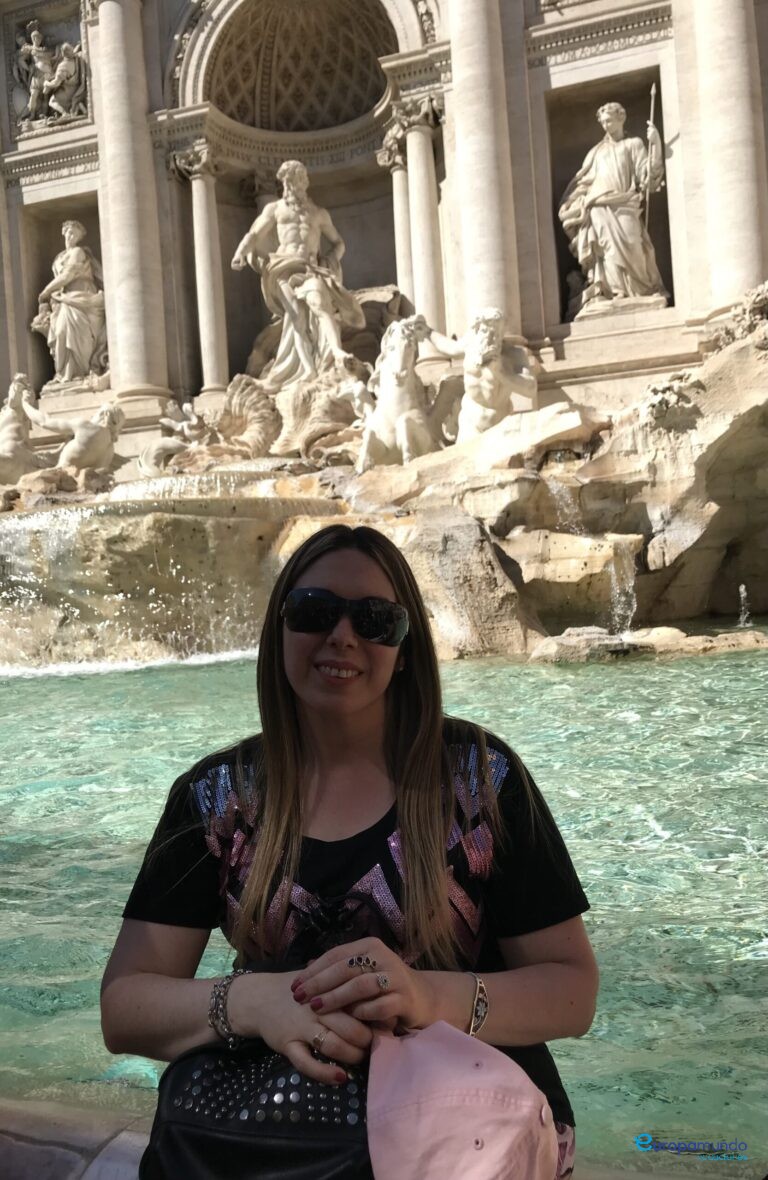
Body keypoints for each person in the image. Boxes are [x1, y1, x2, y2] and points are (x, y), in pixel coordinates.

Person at [101, 524, 598, 1178]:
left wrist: (426, 996)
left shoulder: (481, 778)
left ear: (404, 643)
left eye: (374, 620)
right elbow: (125, 1007)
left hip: (463, 1131)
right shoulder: (218, 797)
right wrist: (255, 1003)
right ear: (279, 626)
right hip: (272, 1130)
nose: (343, 636)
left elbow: (572, 991)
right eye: (313, 611)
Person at [231, 160, 365, 389]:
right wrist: (240, 253)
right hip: (283, 266)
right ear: (284, 183)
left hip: (310, 268)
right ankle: (308, 370)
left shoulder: (318, 213)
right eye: (291, 181)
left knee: (319, 303)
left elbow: (338, 243)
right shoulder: (275, 209)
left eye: (300, 180)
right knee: (296, 318)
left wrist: (330, 260)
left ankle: (336, 351)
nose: (295, 186)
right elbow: (254, 234)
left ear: (305, 182)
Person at [558, 101, 668, 311]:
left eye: (610, 120)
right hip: (598, 206)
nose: (606, 125)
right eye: (603, 122)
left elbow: (648, 177)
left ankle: (640, 291)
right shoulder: (595, 152)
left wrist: (655, 145)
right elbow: (584, 182)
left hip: (625, 204)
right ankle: (614, 292)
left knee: (633, 244)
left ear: (621, 118)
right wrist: (572, 203)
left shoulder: (633, 144)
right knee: (607, 251)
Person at [33, 220, 107, 382]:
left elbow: (68, 275)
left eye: (76, 234)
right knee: (60, 332)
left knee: (80, 337)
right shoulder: (58, 257)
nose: (72, 236)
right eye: (70, 232)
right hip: (64, 300)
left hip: (82, 297)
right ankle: (65, 373)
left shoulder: (78, 252)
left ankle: (81, 373)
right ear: (63, 232)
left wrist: (46, 291)